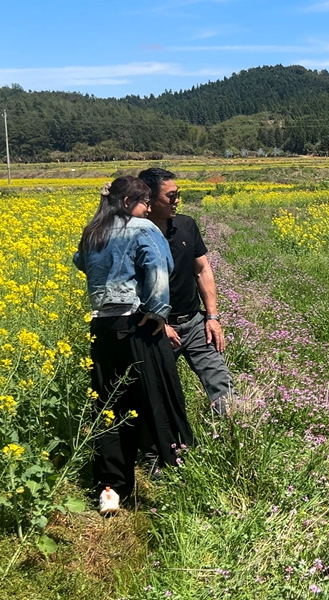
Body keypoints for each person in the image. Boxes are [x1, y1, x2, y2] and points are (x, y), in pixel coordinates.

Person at [73, 177, 193, 514]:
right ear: (128, 203)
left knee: (110, 406)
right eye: (143, 203)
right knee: (160, 399)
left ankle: (110, 490)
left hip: (101, 327)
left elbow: (80, 263)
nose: (147, 209)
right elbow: (158, 269)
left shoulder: (92, 229)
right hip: (136, 325)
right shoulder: (141, 227)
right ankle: (182, 472)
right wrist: (157, 314)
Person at [138, 168, 234, 416]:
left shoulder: (186, 225)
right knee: (157, 392)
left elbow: (202, 271)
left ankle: (232, 437)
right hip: (156, 329)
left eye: (178, 194)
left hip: (195, 323)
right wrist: (159, 320)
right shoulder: (134, 234)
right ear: (149, 199)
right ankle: (167, 448)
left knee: (221, 381)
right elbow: (130, 286)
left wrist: (212, 317)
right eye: (171, 196)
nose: (177, 200)